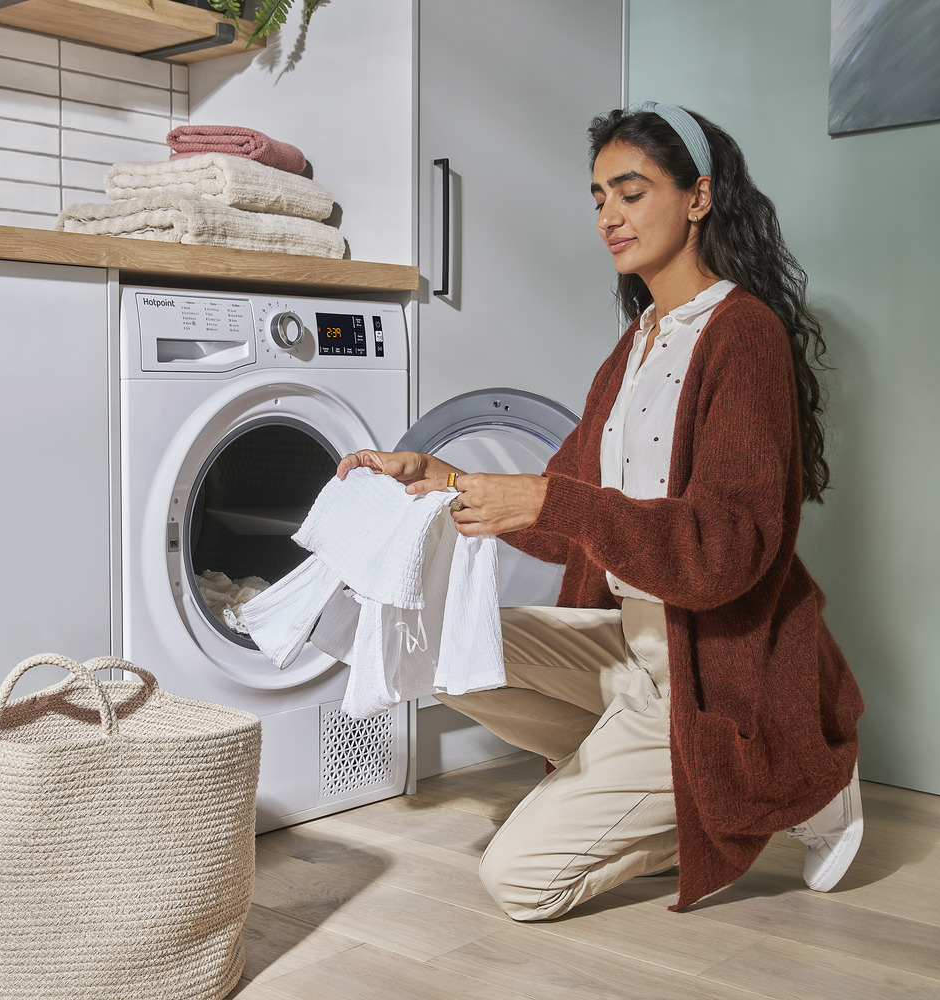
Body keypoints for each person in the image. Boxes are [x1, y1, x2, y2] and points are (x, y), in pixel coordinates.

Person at [334, 103, 864, 921]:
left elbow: (727, 549)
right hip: (631, 646)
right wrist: (440, 478)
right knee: (443, 638)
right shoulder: (640, 341)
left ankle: (780, 783)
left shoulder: (742, 335)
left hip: (713, 671)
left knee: (517, 882)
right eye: (596, 198)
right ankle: (666, 787)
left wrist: (554, 498)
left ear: (698, 198)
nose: (608, 216)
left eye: (631, 191)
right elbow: (560, 521)